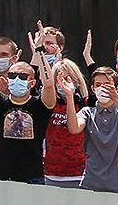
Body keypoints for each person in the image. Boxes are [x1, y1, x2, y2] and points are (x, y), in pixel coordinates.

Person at [0, 13, 56, 184]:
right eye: (13, 75)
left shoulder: (41, 105)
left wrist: (39, 50)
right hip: (2, 177)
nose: (17, 79)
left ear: (31, 82)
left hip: (33, 178)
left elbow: (49, 84)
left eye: (22, 76)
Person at [69, 65, 118, 194]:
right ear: (92, 89)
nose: (102, 88)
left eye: (107, 85)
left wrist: (116, 98)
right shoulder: (87, 112)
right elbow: (74, 128)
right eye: (98, 85)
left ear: (117, 87)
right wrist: (70, 96)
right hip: (90, 185)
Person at [42, 58, 90, 187]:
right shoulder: (49, 104)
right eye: (59, 80)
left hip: (79, 173)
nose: (63, 84)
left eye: (68, 79)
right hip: (51, 172)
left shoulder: (85, 104)